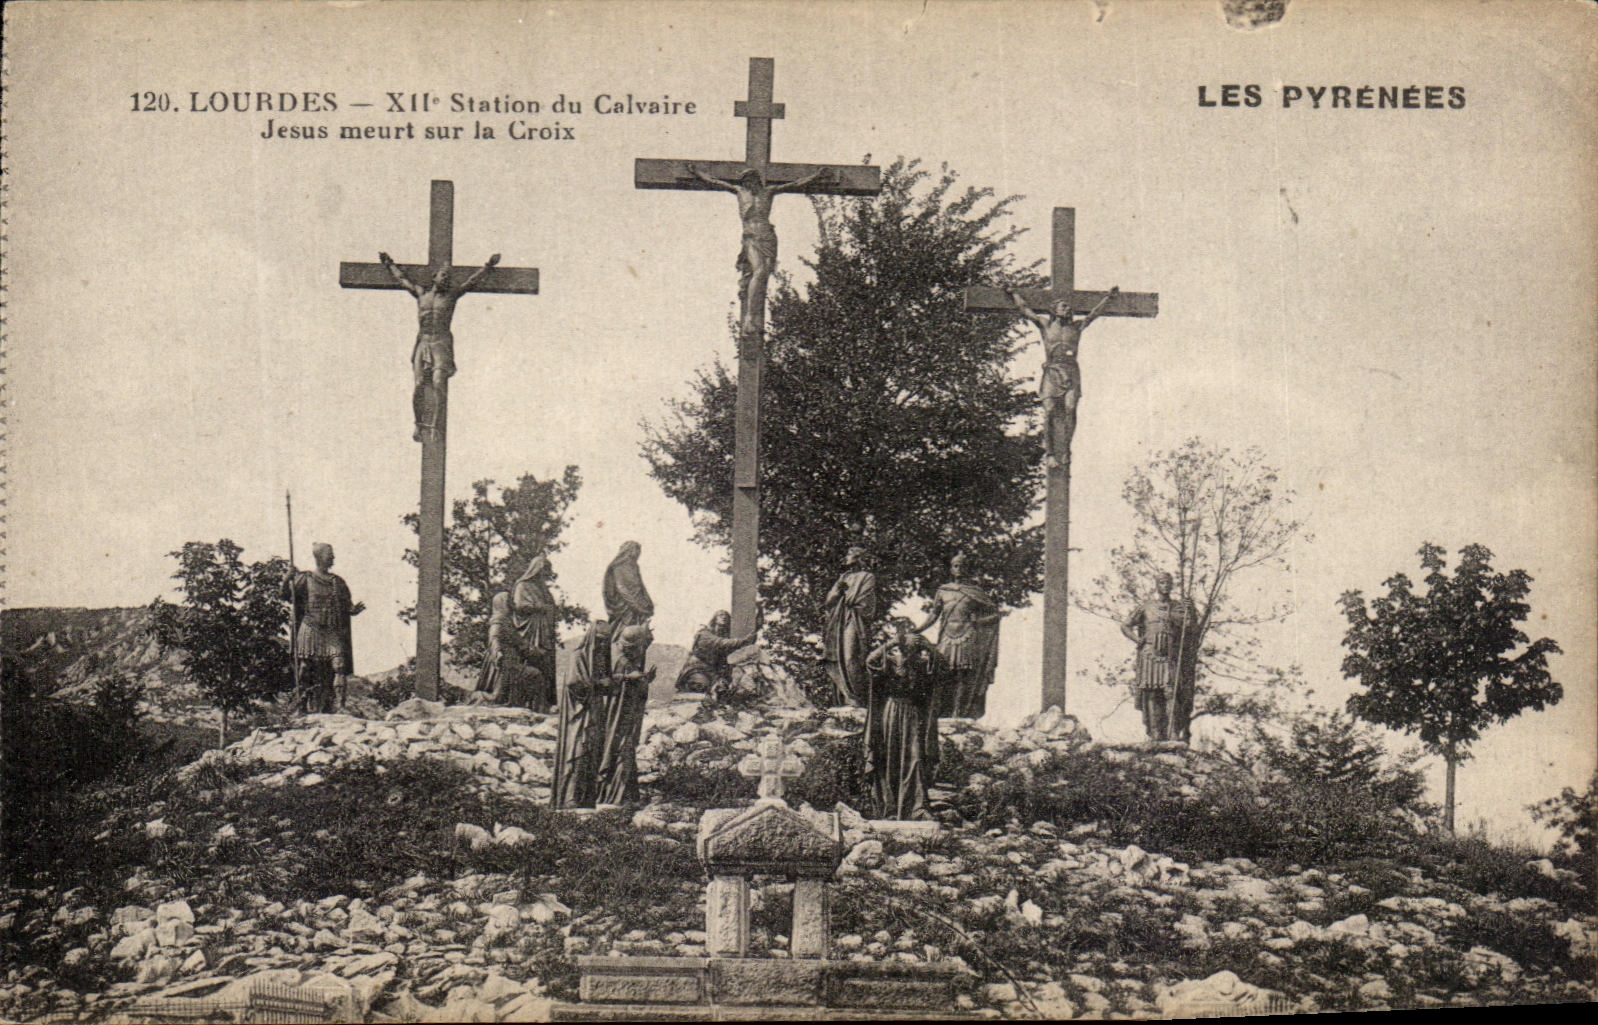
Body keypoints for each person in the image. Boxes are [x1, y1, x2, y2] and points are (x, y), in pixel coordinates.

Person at [686, 164, 828, 347]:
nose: (746, 185)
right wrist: (697, 173)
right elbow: (715, 182)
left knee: (764, 274)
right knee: (759, 271)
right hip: (751, 238)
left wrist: (816, 176)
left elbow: (796, 184)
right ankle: (749, 317)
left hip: (767, 237)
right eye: (744, 182)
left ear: (756, 180)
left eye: (749, 181)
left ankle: (753, 316)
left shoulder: (769, 192)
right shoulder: (739, 192)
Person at [379, 250, 501, 441]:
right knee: (419, 384)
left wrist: (488, 266)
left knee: (438, 383)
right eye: (443, 275)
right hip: (423, 341)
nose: (446, 279)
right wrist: (389, 264)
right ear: (434, 277)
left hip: (441, 342)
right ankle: (419, 426)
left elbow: (471, 282)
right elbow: (402, 279)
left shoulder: (451, 296)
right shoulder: (421, 294)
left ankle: (436, 426)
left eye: (448, 277)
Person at [1007, 286, 1118, 468]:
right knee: (1049, 411)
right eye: (1064, 306)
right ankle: (1050, 453)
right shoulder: (1045, 325)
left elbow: (1095, 313)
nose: (1068, 309)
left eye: (1068, 307)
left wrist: (1109, 298)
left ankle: (1066, 450)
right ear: (1055, 310)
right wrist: (1013, 293)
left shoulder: (1076, 327)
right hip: (1052, 371)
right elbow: (1025, 310)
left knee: (1070, 408)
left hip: (1071, 372)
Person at [865, 618, 942, 821]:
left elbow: (942, 666)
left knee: (915, 758)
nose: (910, 644)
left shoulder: (920, 664)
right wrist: (890, 644)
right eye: (906, 639)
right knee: (889, 758)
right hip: (891, 711)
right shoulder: (889, 661)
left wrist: (927, 646)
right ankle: (889, 809)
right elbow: (870, 661)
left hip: (912, 713)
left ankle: (917, 807)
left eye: (913, 641)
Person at [915, 553, 1004, 719]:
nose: (959, 569)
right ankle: (940, 710)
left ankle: (958, 711)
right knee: (941, 672)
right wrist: (919, 629)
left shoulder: (975, 592)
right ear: (951, 568)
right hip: (947, 636)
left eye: (962, 566)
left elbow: (995, 614)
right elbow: (934, 614)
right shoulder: (943, 591)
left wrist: (978, 621)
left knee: (962, 675)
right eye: (955, 565)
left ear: (967, 569)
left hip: (967, 635)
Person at [282, 542, 365, 714]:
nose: (333, 557)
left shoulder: (337, 582)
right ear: (319, 556)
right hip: (310, 628)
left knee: (339, 665)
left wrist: (353, 610)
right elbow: (286, 596)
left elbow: (346, 606)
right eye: (330, 554)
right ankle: (301, 706)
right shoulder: (305, 579)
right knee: (304, 668)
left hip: (331, 631)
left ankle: (341, 706)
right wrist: (286, 579)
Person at [1121, 571, 1200, 743]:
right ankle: (1156, 733)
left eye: (1168, 583)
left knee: (1171, 692)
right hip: (1149, 655)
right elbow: (1126, 625)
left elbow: (1190, 629)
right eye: (1162, 583)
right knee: (1151, 693)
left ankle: (1172, 732)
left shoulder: (1178, 607)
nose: (1165, 586)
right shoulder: (1146, 606)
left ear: (1171, 586)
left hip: (1170, 655)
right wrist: (1138, 640)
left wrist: (1191, 611)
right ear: (1157, 585)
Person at [553, 620, 611, 810]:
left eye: (606, 641)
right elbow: (574, 683)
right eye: (600, 640)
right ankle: (571, 796)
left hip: (594, 712)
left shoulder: (600, 660)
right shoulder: (578, 656)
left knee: (591, 753)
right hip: (578, 715)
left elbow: (608, 684)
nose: (603, 645)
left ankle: (586, 797)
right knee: (578, 751)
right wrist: (599, 684)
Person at [595, 624, 656, 807]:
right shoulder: (625, 664)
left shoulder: (618, 659)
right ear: (634, 646)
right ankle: (618, 796)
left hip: (617, 718)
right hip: (621, 720)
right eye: (641, 647)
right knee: (623, 752)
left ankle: (624, 795)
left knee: (622, 751)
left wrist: (643, 680)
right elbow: (629, 694)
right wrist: (643, 681)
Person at [821, 545, 877, 707]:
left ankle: (856, 697)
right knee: (838, 657)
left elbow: (863, 601)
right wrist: (839, 589)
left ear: (859, 558)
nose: (846, 556)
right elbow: (829, 600)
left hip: (855, 618)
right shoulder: (843, 577)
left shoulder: (867, 577)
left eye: (850, 554)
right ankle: (846, 697)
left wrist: (847, 597)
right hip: (839, 619)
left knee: (850, 656)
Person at [475, 591, 541, 708]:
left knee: (534, 675)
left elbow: (519, 642)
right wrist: (498, 653)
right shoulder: (498, 621)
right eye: (508, 601)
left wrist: (533, 651)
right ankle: (475, 697)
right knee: (497, 697)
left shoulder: (507, 622)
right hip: (504, 665)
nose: (512, 604)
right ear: (501, 604)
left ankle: (529, 707)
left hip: (512, 664)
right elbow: (494, 638)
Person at [511, 555, 560, 712]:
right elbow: (519, 605)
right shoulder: (523, 585)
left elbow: (551, 607)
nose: (545, 575)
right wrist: (540, 607)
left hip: (544, 631)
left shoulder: (544, 590)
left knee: (546, 663)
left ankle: (544, 703)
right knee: (532, 661)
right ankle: (527, 702)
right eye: (544, 571)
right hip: (530, 630)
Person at [674, 610, 757, 698]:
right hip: (697, 669)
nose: (724, 617)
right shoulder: (704, 635)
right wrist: (744, 641)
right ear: (714, 620)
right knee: (700, 685)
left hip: (713, 671)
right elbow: (720, 643)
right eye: (721, 615)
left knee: (723, 688)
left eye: (726, 617)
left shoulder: (725, 637)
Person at [601, 540, 654, 632]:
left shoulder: (634, 566)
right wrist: (637, 604)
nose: (638, 554)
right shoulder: (619, 565)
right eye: (637, 551)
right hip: (624, 604)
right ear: (630, 550)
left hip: (635, 604)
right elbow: (622, 588)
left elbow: (640, 586)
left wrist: (647, 602)